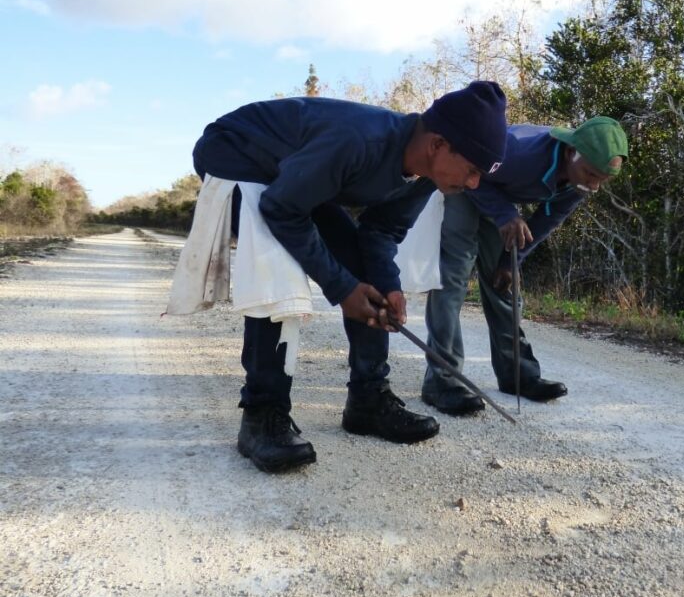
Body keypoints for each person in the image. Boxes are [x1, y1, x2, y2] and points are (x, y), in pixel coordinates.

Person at [175, 82, 508, 471]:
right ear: (437, 145)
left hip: (289, 180)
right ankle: (262, 416)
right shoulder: (359, 141)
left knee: (362, 267)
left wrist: (388, 286)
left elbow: (380, 233)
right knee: (277, 265)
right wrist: (341, 288)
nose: (474, 184)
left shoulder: (425, 177)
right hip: (235, 154)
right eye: (471, 170)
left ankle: (368, 399)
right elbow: (281, 208)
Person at [421, 116, 628, 415]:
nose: (594, 185)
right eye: (591, 174)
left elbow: (547, 219)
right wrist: (506, 215)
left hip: (497, 191)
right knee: (453, 275)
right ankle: (442, 380)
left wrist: (510, 260)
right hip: (465, 183)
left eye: (602, 180)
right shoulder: (521, 153)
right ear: (572, 152)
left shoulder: (581, 180)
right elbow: (469, 166)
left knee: (503, 281)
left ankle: (518, 375)